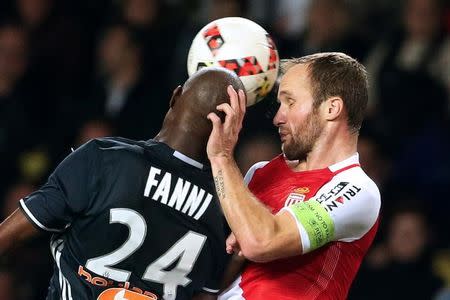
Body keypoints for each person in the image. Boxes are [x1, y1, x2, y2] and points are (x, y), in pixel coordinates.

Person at [0, 67, 245, 300]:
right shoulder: (225, 206)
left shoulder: (102, 157)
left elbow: (8, 236)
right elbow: (205, 295)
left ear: (175, 96)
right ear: (233, 129)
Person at [206, 52, 381, 299]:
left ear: (331, 108)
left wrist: (222, 157)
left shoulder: (358, 189)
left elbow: (262, 241)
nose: (278, 117)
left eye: (290, 102)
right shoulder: (260, 173)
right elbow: (222, 274)